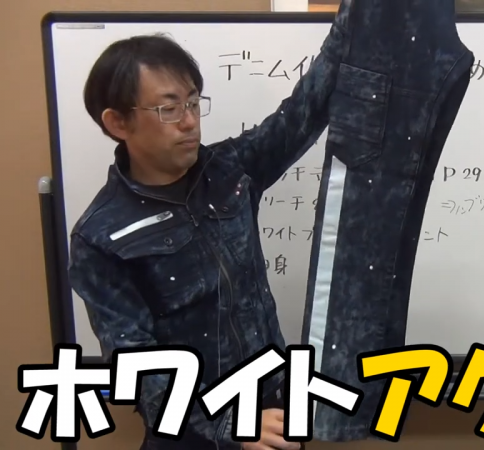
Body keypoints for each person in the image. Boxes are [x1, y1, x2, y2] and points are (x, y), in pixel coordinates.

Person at [67, 22, 344, 450]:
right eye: (169, 108)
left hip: (273, 408)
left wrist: (353, 25)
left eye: (194, 102)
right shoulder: (101, 236)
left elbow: (303, 111)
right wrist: (231, 425)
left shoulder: (229, 170)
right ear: (118, 122)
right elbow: (138, 364)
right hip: (194, 435)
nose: (190, 122)